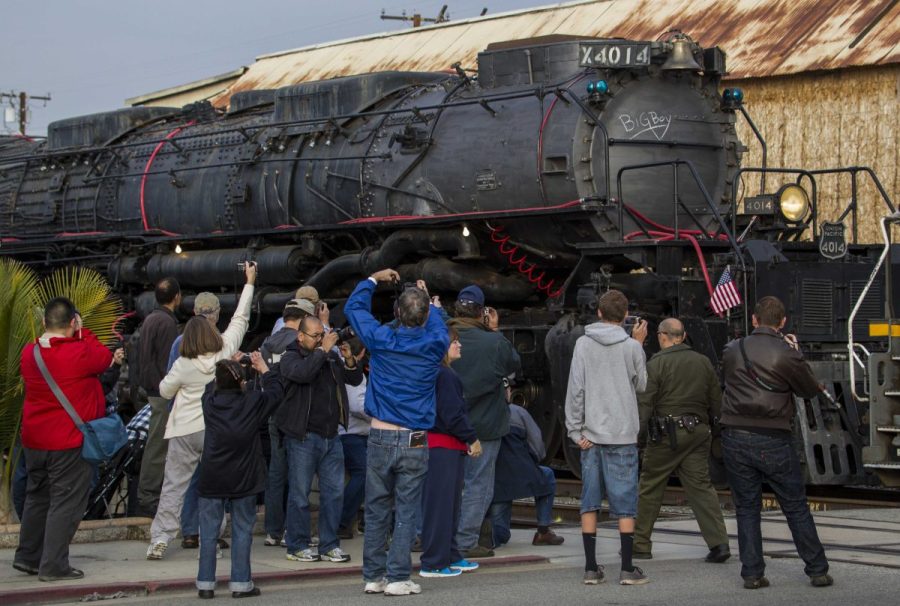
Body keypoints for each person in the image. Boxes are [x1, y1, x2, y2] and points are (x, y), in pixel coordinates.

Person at [345, 270, 449, 597]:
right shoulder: (435, 344)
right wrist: (430, 302)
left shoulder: (380, 339)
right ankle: (398, 576)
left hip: (379, 434)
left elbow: (353, 308)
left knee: (376, 507)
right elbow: (438, 325)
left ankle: (373, 576)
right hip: (415, 437)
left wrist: (373, 280)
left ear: (397, 313)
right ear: (423, 315)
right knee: (406, 509)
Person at [145, 263, 256, 560]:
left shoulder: (182, 362)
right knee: (213, 488)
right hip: (213, 429)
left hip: (183, 430)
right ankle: (211, 540)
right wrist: (250, 282)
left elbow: (164, 390)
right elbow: (241, 318)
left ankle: (160, 538)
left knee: (174, 486)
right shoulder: (223, 349)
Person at [720, 296, 833, 589]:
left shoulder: (733, 349)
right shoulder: (787, 353)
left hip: (735, 434)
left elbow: (727, 379)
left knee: (746, 507)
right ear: (782, 322)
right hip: (773, 437)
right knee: (795, 506)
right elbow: (808, 390)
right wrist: (796, 353)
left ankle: (752, 573)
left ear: (754, 320)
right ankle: (817, 570)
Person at [14, 297, 112, 581]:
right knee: (65, 502)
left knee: (37, 498)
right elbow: (104, 357)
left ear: (44, 322)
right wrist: (83, 331)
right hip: (66, 441)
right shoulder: (78, 352)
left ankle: (28, 557)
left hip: (35, 439)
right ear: (72, 323)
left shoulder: (29, 353)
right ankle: (54, 565)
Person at [565, 289, 649, 586]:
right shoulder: (631, 346)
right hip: (623, 435)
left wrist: (575, 430)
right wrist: (638, 345)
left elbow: (576, 389)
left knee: (589, 501)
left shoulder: (583, 344)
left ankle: (590, 568)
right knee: (626, 503)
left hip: (591, 436)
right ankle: (627, 568)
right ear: (626, 316)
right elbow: (641, 385)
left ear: (598, 313)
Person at [633, 318, 730, 562]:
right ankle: (719, 544)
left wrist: (640, 440)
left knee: (651, 486)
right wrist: (716, 433)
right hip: (698, 433)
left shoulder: (656, 364)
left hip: (666, 434)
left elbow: (645, 405)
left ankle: (640, 545)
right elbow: (716, 401)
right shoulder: (703, 362)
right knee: (701, 487)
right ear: (683, 336)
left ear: (662, 336)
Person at [195, 353, 284, 599]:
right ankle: (241, 583)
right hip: (244, 476)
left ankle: (205, 584)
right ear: (242, 383)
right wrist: (263, 368)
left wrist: (229, 365)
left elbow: (208, 387)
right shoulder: (252, 402)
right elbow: (276, 393)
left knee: (209, 531)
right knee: (243, 530)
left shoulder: (209, 403)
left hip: (213, 475)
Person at [276, 315, 362, 564]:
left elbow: (354, 380)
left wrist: (347, 358)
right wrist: (323, 351)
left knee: (334, 494)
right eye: (315, 335)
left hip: (331, 435)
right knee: (300, 494)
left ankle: (329, 545)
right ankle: (297, 545)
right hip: (303, 436)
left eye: (321, 334)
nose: (319, 339)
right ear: (300, 336)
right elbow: (303, 374)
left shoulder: (329, 356)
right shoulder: (291, 356)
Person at [449, 285, 521, 559]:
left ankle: (425, 533)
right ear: (483, 313)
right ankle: (466, 540)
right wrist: (494, 331)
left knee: (441, 482)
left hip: (446, 425)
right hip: (484, 426)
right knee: (478, 484)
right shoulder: (493, 342)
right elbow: (513, 363)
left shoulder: (442, 334)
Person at [420, 328, 483, 578]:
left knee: (449, 505)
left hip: (446, 446)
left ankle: (450, 554)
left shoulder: (442, 373)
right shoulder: (444, 375)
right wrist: (472, 438)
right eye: (454, 342)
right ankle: (434, 561)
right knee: (440, 506)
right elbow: (452, 413)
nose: (459, 345)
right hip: (443, 446)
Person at [164, 291, 222, 551]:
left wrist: (172, 414)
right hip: (212, 423)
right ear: (217, 313)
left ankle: (188, 532)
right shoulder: (221, 343)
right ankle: (210, 532)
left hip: (185, 423)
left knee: (183, 480)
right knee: (211, 480)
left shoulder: (180, 342)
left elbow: (169, 383)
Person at [260, 297, 315, 547]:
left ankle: (273, 529)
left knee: (276, 472)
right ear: (303, 319)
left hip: (274, 411)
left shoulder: (268, 343)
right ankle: (291, 531)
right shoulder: (299, 342)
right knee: (297, 475)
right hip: (296, 413)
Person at [489, 378, 564, 548]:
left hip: (493, 480)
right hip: (520, 473)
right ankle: (543, 531)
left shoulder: (481, 415)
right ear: (507, 392)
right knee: (547, 475)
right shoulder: (518, 412)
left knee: (501, 533)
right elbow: (537, 446)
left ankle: (489, 533)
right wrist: (529, 464)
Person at [136, 277, 181, 517]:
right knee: (158, 446)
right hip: (163, 392)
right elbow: (169, 362)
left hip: (152, 389)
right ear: (177, 297)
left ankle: (149, 493)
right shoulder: (167, 324)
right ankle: (149, 495)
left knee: (157, 443)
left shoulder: (150, 320)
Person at [337, 336, 371, 539]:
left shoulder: (346, 369)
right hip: (352, 434)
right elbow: (358, 405)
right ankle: (342, 521)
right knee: (364, 473)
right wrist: (379, 414)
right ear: (361, 353)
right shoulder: (353, 373)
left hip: (354, 432)